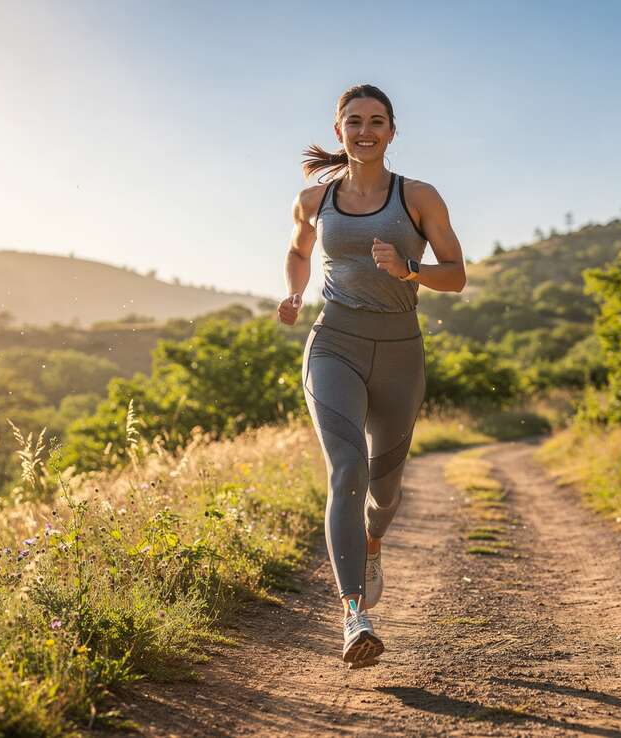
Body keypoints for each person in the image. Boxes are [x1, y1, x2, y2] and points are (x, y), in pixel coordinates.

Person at [277, 84, 467, 667]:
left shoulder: (418, 196)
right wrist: (293, 292)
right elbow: (299, 251)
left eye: (376, 121)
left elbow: (456, 274)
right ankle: (354, 615)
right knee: (348, 470)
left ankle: (373, 542)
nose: (365, 130)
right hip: (333, 342)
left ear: (392, 131)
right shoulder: (313, 199)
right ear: (339, 131)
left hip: (400, 350)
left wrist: (410, 269)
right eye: (354, 121)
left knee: (384, 490)